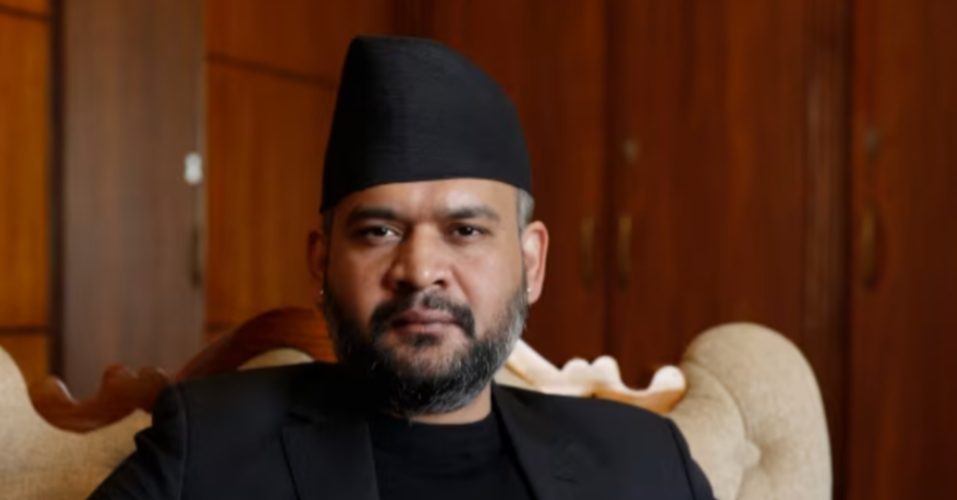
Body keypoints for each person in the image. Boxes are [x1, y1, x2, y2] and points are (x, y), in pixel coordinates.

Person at [88, 35, 715, 500]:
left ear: (531, 263)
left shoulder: (645, 462)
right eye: (379, 232)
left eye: (465, 231)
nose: (419, 270)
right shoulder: (208, 444)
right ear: (321, 263)